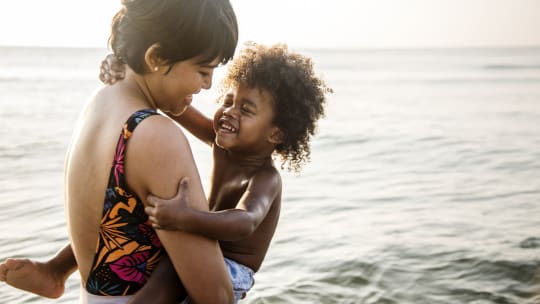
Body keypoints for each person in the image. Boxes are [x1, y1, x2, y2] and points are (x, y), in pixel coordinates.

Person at [0, 0, 239, 303]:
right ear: (156, 56)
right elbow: (216, 296)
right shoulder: (156, 136)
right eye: (203, 70)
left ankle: (55, 271)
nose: (208, 85)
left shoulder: (100, 102)